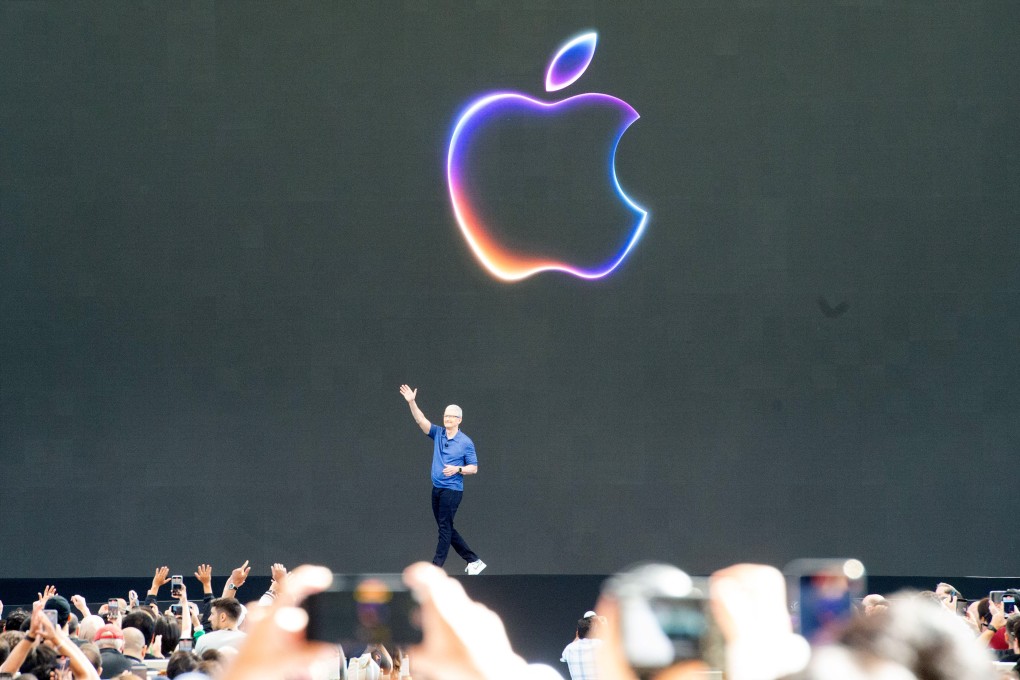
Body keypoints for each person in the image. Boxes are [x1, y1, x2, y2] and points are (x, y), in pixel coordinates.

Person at [399, 384, 486, 574]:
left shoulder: (465, 442)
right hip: (437, 488)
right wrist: (412, 402)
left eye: (452, 417)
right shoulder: (438, 433)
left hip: (452, 490)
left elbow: (474, 468)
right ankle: (474, 560)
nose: (447, 419)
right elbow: (420, 420)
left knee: (444, 529)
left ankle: (435, 569)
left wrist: (458, 469)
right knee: (445, 527)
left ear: (459, 420)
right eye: (445, 416)